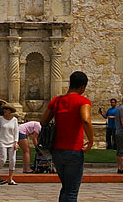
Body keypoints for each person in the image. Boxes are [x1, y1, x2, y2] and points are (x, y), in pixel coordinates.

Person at [42, 71, 95, 202]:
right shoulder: (83, 101)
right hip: (74, 149)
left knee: (65, 188)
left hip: (57, 150)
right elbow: (86, 119)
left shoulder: (56, 101)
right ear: (83, 87)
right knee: (72, 191)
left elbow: (43, 121)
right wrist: (91, 140)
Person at [0, 104, 21, 185]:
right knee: (3, 159)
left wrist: (16, 142)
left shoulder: (14, 120)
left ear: (10, 111)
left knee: (13, 160)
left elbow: (16, 132)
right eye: (4, 109)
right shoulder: (0, 119)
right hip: (2, 141)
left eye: (7, 109)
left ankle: (10, 178)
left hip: (12, 141)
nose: (5, 110)